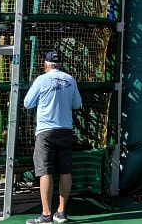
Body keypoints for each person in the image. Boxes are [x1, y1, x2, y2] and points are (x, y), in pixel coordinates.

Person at [23, 49, 83, 224]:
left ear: (45, 64)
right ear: (60, 63)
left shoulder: (41, 80)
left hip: (45, 132)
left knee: (45, 171)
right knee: (66, 171)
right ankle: (61, 212)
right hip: (65, 130)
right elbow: (77, 104)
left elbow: (27, 103)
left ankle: (46, 215)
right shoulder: (70, 79)